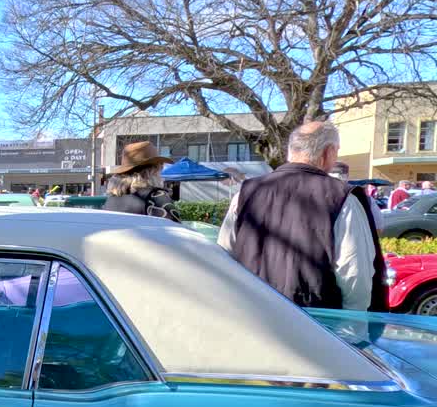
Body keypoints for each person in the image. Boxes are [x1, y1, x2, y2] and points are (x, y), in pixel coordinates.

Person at [218, 120, 387, 311]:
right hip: (314, 325)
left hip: (253, 315)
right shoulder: (342, 199)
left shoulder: (246, 192)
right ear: (329, 152)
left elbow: (224, 254)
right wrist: (352, 330)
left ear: (291, 151)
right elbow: (355, 274)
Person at [102, 142, 180, 222]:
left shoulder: (111, 200)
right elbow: (175, 230)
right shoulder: (156, 197)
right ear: (153, 171)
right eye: (160, 168)